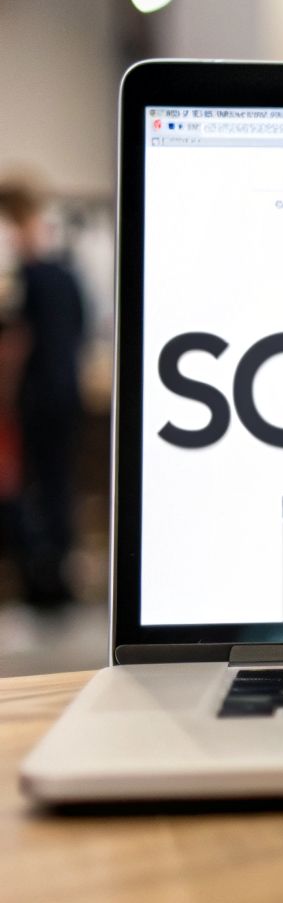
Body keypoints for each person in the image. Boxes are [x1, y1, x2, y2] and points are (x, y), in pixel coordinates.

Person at [0, 172, 86, 615]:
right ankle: (57, 575)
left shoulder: (29, 278)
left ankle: (45, 579)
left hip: (38, 396)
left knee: (35, 485)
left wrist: (8, 394)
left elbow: (18, 344)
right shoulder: (66, 275)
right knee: (58, 484)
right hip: (65, 390)